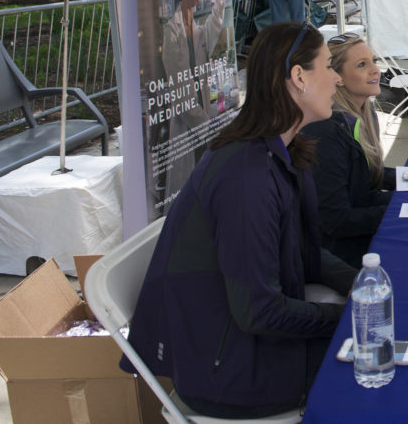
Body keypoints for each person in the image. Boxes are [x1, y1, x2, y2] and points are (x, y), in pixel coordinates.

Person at [124, 22, 358, 419]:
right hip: (232, 374)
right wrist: (350, 317)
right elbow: (259, 311)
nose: (337, 78)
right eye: (326, 66)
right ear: (298, 77)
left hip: (241, 348)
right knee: (390, 363)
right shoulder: (246, 176)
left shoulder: (276, 149)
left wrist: (361, 284)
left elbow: (301, 252)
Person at [302, 32, 394, 268]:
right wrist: (400, 210)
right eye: (362, 65)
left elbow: (368, 180)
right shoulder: (327, 129)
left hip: (357, 226)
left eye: (373, 61)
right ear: (337, 77)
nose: (375, 70)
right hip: (337, 250)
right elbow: (337, 220)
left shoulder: (365, 113)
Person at [160, 0, 228, 214]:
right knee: (187, 200)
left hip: (203, 127)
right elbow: (182, 94)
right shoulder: (172, 31)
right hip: (190, 130)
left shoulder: (197, 29)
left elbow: (216, 24)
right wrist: (210, 128)